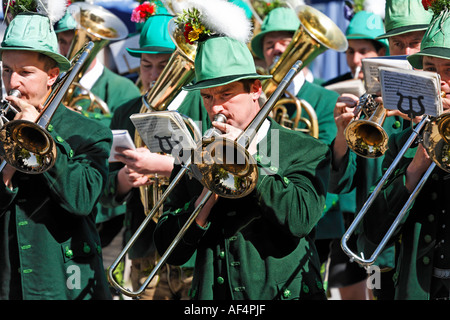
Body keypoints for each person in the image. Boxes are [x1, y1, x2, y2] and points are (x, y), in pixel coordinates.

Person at [154, 0, 331, 300]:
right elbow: (169, 250)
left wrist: (249, 163)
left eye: (226, 94)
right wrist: (202, 205)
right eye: (208, 96)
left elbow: (300, 219)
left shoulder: (305, 147)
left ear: (255, 90)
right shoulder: (193, 154)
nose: (216, 107)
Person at [0, 11, 112, 299]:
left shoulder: (88, 131)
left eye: (25, 72)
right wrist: (7, 171)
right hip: (8, 279)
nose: (12, 82)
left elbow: (82, 199)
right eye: (6, 70)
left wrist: (41, 139)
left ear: (52, 76)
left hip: (64, 281)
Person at [100, 10, 209, 300]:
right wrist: (125, 178)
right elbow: (107, 188)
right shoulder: (126, 111)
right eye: (146, 65)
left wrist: (165, 167)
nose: (153, 75)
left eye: (164, 65)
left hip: (194, 251)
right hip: (144, 249)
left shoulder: (204, 106)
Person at [329, 0, 433, 300]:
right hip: (381, 249)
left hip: (424, 246)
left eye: (416, 43)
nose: (407, 53)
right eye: (398, 43)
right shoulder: (373, 103)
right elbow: (341, 183)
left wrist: (418, 119)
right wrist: (341, 135)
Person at [357, 3, 450, 299]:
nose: (441, 82)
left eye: (449, 71)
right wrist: (415, 166)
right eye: (431, 70)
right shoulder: (408, 141)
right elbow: (373, 232)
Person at [55, 7, 142, 246]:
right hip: (62, 196)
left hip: (109, 210)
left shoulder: (123, 90)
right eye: (62, 41)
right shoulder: (49, 88)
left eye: (74, 41)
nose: (67, 49)